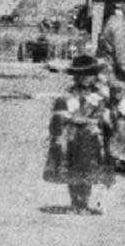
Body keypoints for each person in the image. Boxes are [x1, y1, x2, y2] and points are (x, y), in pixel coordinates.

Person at [43, 54, 115, 214]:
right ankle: (75, 202)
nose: (86, 78)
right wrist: (69, 119)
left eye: (90, 74)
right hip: (72, 138)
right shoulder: (67, 95)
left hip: (91, 139)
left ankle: (84, 202)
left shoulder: (100, 96)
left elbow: (107, 116)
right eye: (82, 74)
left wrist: (96, 121)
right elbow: (58, 115)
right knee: (72, 171)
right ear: (75, 76)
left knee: (87, 172)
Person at [96, 0, 125, 105]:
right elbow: (123, 60)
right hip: (120, 81)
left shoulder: (112, 21)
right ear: (117, 4)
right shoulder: (120, 26)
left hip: (111, 77)